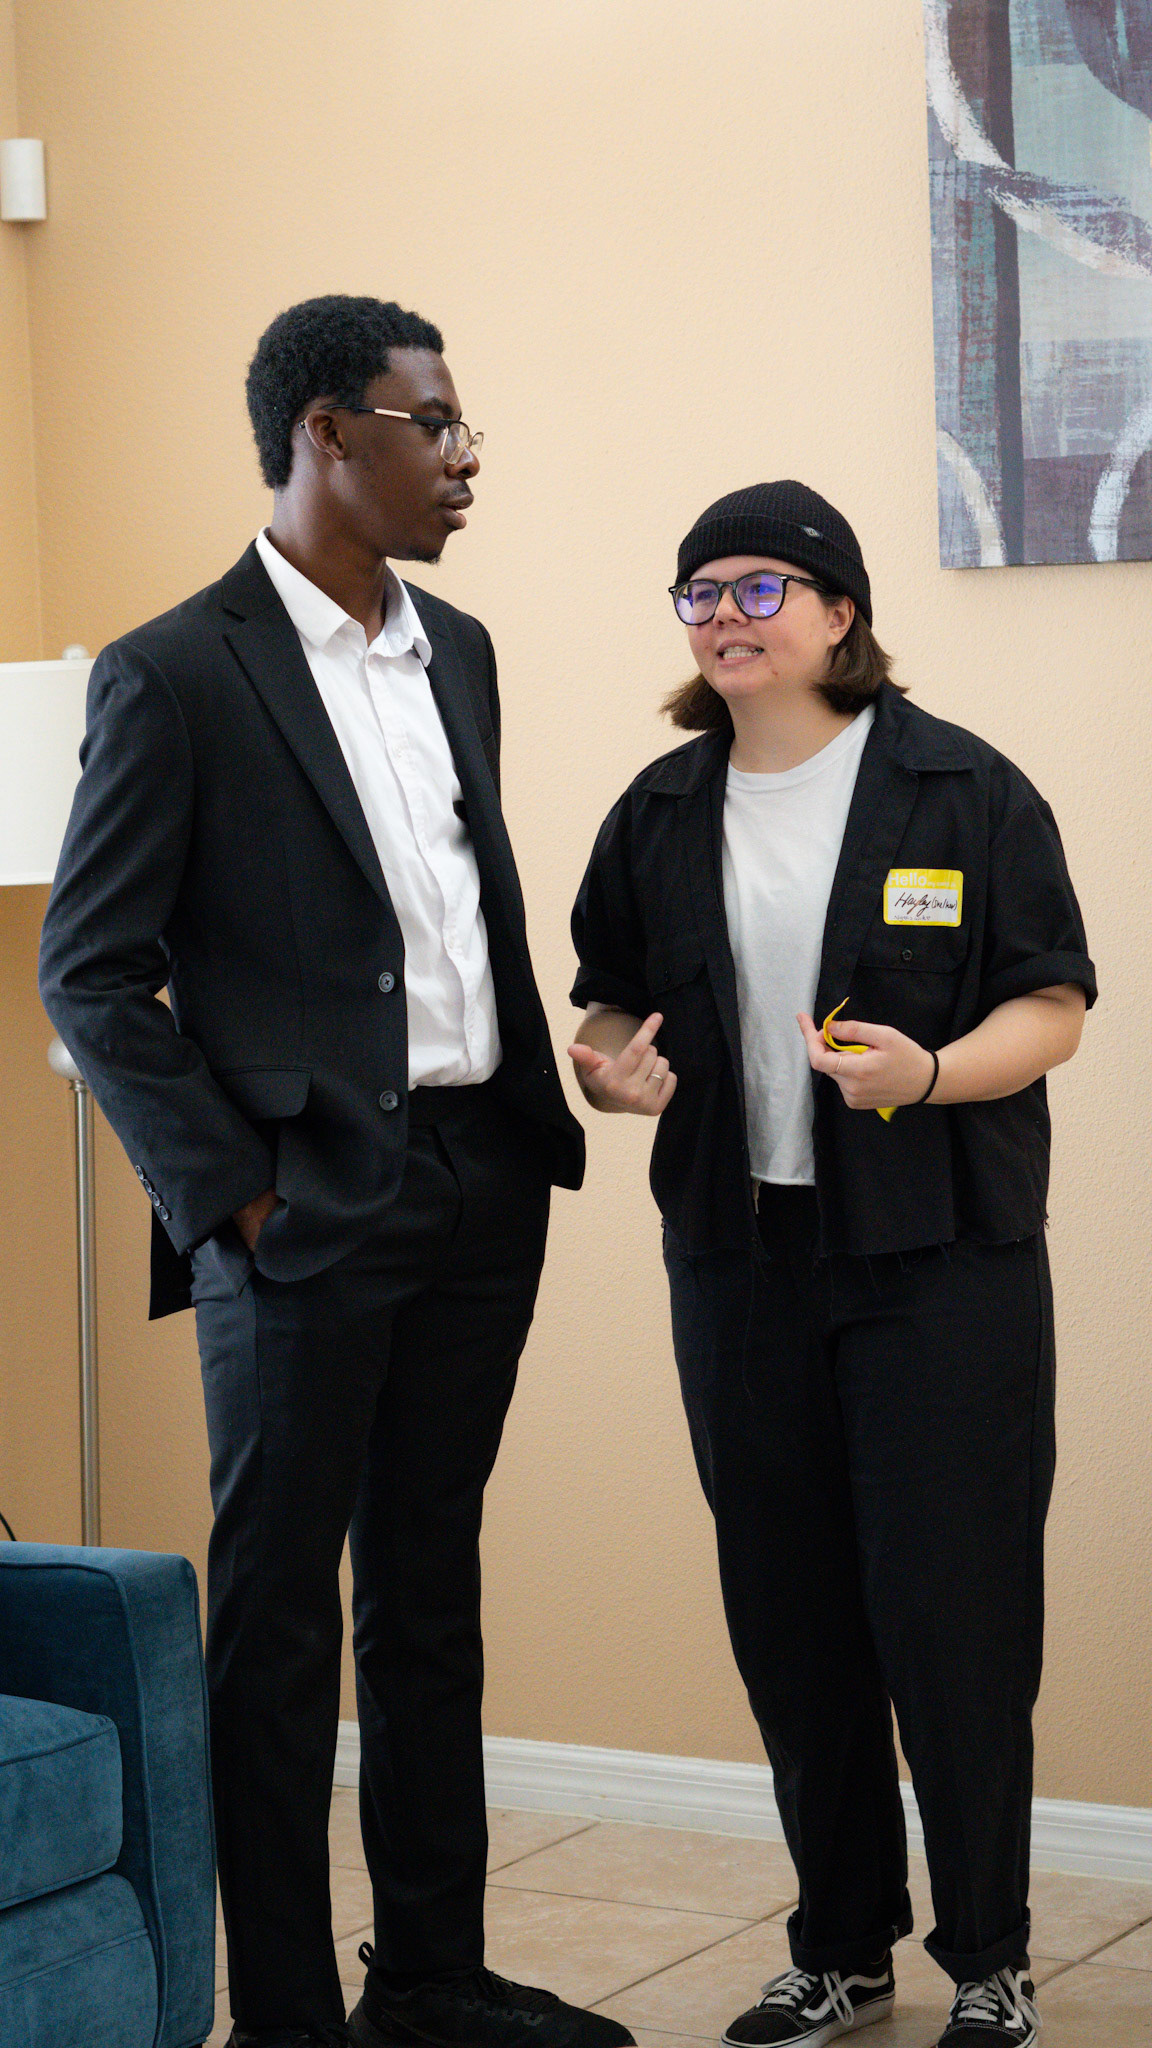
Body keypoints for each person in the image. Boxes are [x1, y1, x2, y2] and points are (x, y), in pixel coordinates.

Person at [40, 295, 632, 2048]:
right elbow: (92, 970)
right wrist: (237, 1195)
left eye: (460, 428)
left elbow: (439, 922)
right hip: (298, 1212)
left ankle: (430, 1981)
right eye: (433, 425)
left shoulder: (462, 651)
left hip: (479, 1180)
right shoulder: (175, 669)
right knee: (284, 1627)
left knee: (430, 1593)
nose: (463, 460)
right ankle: (290, 2014)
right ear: (326, 432)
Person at [568, 481, 1094, 2048]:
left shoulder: (964, 791)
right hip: (741, 1264)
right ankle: (842, 1952)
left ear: (840, 612)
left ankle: (989, 1963)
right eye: (700, 593)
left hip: (941, 1267)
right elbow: (607, 1002)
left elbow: (1052, 1007)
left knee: (955, 1621)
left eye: (760, 588)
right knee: (791, 1622)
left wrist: (928, 1075)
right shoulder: (659, 811)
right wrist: (610, 1070)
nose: (725, 616)